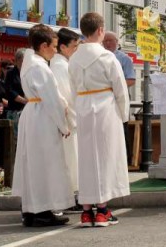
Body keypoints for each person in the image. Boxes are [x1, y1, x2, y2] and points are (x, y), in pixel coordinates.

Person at [68, 13, 130, 227]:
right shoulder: (107, 57)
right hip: (105, 106)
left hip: (84, 106)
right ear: (101, 30)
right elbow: (120, 88)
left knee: (86, 158)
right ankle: (102, 210)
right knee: (105, 156)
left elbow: (72, 87)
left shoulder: (74, 58)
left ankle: (86, 211)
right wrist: (124, 114)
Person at [12, 25, 74, 228]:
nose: (55, 50)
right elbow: (52, 99)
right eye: (54, 46)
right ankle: (42, 211)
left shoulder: (31, 62)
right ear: (43, 45)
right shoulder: (39, 67)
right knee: (45, 164)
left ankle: (31, 210)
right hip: (43, 117)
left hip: (34, 114)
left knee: (34, 165)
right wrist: (64, 125)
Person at [50, 28, 81, 211]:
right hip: (68, 121)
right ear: (63, 47)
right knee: (69, 160)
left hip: (70, 120)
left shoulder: (64, 64)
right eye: (74, 46)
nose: (76, 49)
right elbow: (67, 97)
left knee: (72, 159)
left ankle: (71, 196)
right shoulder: (60, 66)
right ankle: (69, 198)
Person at [102, 31, 135, 164]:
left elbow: (131, 80)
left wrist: (115, 87)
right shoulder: (100, 57)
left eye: (110, 41)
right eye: (105, 41)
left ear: (117, 42)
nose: (108, 43)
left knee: (123, 126)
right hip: (105, 98)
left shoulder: (124, 59)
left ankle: (125, 159)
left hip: (119, 97)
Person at [4, 48, 27, 139]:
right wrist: (24, 101)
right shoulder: (11, 74)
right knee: (16, 137)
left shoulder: (27, 72)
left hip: (27, 110)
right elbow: (10, 91)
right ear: (17, 60)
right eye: (22, 60)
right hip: (15, 110)